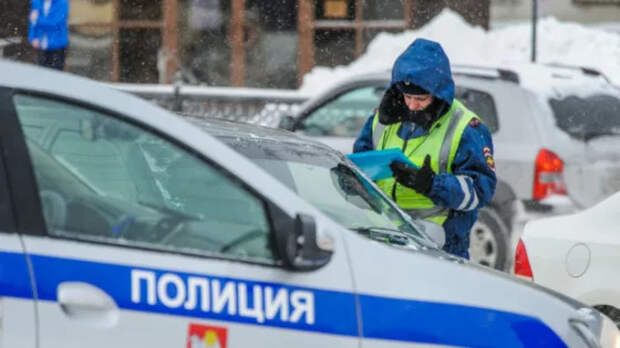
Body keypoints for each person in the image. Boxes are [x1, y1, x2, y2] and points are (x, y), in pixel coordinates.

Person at [353, 38, 496, 259]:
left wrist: (431, 184)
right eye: (407, 96)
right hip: (383, 243)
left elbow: (481, 190)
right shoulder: (380, 120)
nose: (411, 105)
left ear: (439, 94)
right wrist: (351, 182)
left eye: (421, 98)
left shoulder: (467, 128)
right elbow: (358, 167)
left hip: (440, 249)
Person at [28, 0, 69, 71]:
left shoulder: (62, 2)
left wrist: (37, 20)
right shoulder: (37, 2)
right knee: (41, 72)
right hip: (41, 44)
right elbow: (32, 23)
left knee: (56, 73)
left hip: (57, 45)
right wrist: (32, 37)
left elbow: (55, 23)